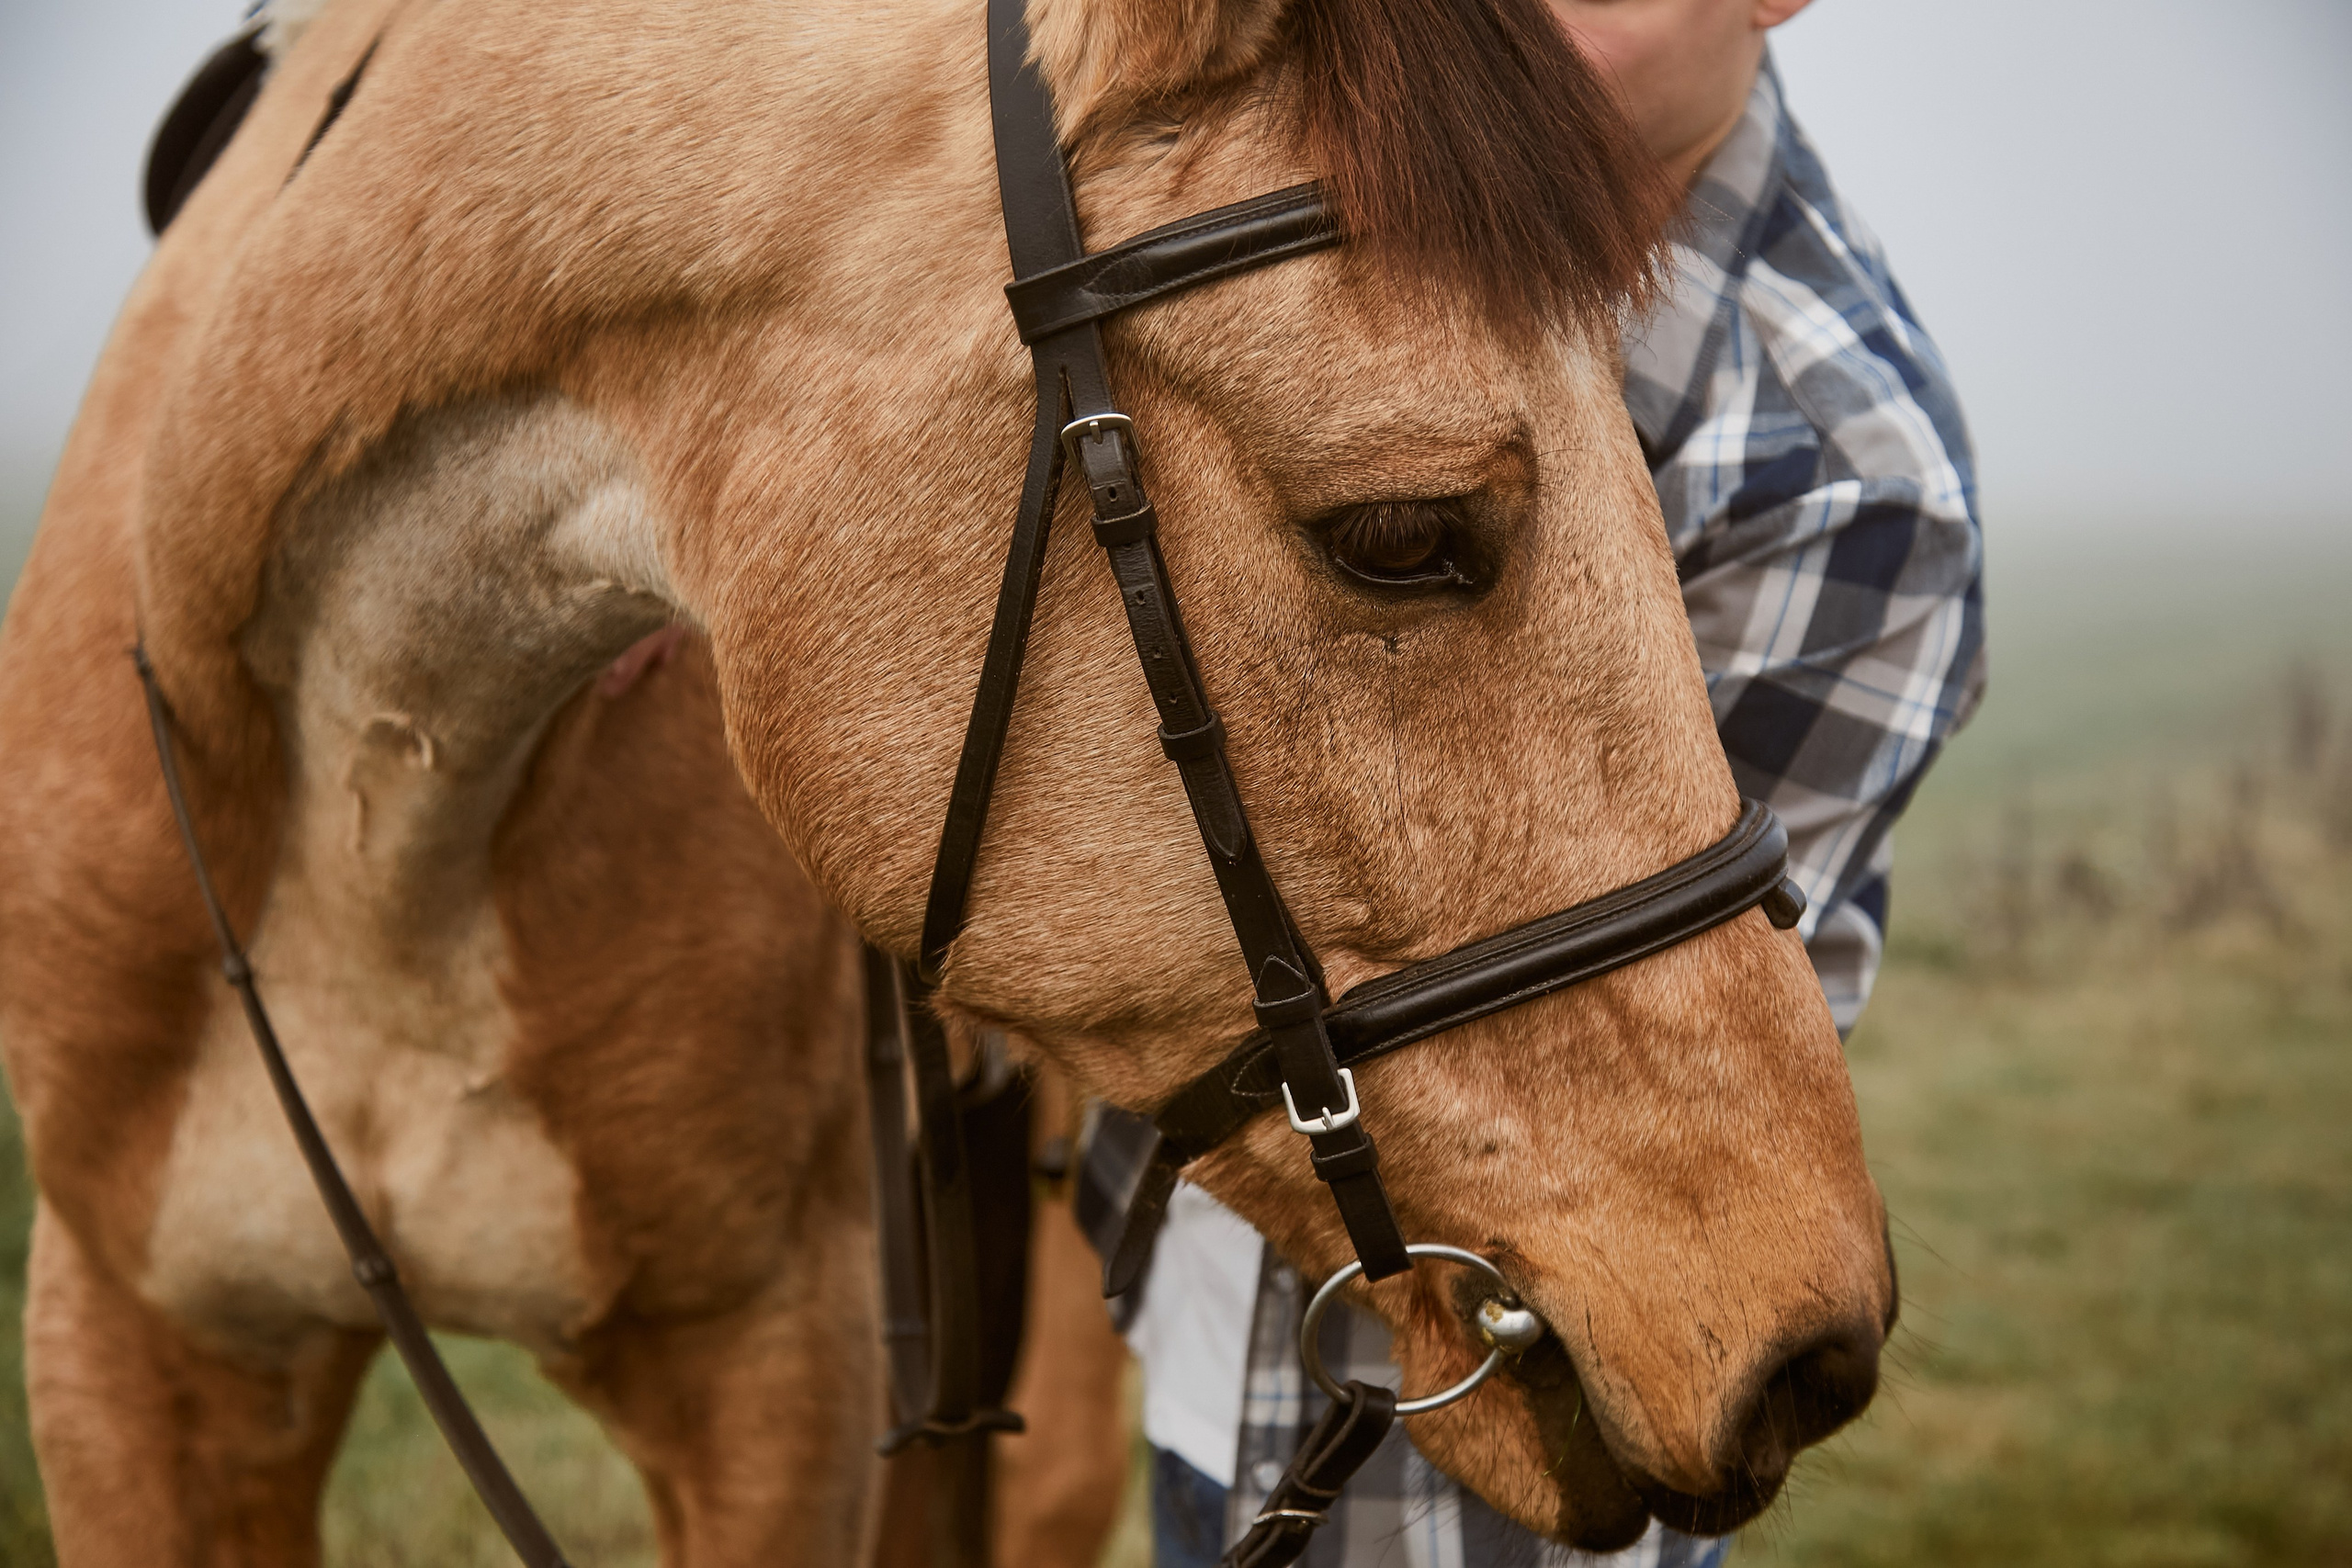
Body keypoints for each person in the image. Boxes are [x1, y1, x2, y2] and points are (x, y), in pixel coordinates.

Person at [1081, 0, 1988, 1563]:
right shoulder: (1343, 222)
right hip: (1214, 1323)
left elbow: (1599, 1057)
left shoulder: (1838, 472)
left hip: (1502, 1407)